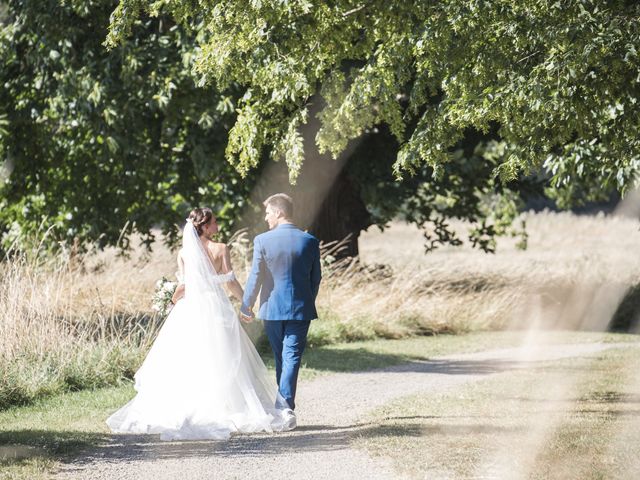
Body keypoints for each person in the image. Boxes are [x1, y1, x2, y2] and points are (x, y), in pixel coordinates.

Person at [106, 208, 292, 440]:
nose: (217, 226)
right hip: (216, 307)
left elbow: (183, 286)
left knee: (193, 355)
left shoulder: (184, 253)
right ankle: (225, 406)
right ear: (203, 226)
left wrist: (170, 301)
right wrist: (246, 304)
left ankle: (194, 403)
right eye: (214, 222)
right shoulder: (221, 248)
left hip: (190, 308)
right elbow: (230, 281)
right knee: (222, 354)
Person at [241, 194, 322, 430]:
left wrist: (247, 305)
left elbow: (255, 277)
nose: (265, 217)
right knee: (289, 357)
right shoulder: (310, 240)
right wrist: (307, 299)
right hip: (300, 307)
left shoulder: (262, 241)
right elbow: (315, 278)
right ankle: (284, 407)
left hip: (272, 308)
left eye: (267, 213)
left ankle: (284, 407)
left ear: (278, 212)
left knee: (284, 357)